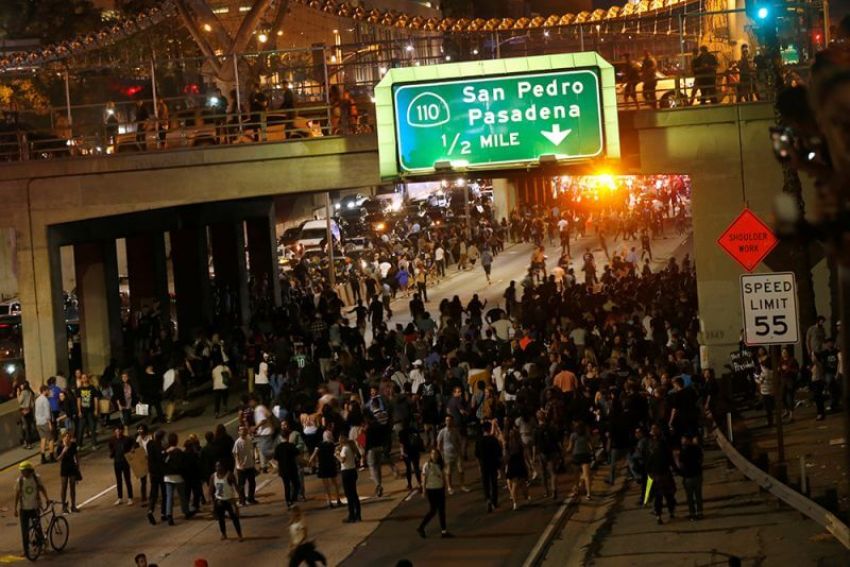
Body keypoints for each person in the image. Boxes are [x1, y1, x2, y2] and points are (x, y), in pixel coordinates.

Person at [14, 461, 48, 556]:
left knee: (37, 528)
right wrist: (15, 508)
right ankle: (26, 550)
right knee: (24, 531)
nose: (22, 473)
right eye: (21, 471)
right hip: (24, 509)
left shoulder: (36, 478)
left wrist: (47, 498)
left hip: (35, 508)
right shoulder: (19, 481)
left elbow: (41, 488)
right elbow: (17, 494)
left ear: (29, 470)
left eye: (24, 471)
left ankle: (41, 545)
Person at [417, 449, 452, 538]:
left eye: (436, 454)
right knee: (433, 510)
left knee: (442, 510)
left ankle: (444, 531)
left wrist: (447, 486)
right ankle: (421, 527)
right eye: (432, 454)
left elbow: (444, 476)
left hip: (440, 488)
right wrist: (424, 490)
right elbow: (424, 478)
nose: (434, 455)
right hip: (431, 490)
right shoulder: (427, 465)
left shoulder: (441, 465)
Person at [209, 460, 243, 541]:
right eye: (217, 466)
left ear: (224, 467)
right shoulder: (213, 476)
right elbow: (211, 490)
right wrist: (212, 503)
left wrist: (240, 496)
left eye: (220, 466)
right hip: (219, 501)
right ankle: (223, 534)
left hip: (229, 500)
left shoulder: (229, 475)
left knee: (235, 518)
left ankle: (239, 535)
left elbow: (236, 486)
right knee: (221, 519)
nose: (219, 468)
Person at [309, 430, 343, 508]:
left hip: (322, 466)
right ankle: (338, 499)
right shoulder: (332, 445)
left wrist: (310, 462)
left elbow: (314, 454)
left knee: (326, 485)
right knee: (335, 484)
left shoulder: (319, 445)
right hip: (331, 465)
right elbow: (336, 454)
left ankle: (329, 501)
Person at [475, 420, 503, 512]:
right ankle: (494, 501)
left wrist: (479, 465)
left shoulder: (479, 440)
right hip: (493, 463)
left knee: (485, 483)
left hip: (484, 464)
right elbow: (499, 452)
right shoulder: (493, 440)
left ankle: (487, 499)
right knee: (494, 483)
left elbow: (477, 454)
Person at [274, 422, 303, 509]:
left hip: (283, 470)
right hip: (292, 469)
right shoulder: (291, 446)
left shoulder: (278, 447)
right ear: (288, 437)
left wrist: (277, 467)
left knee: (286, 486)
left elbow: (275, 459)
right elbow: (297, 456)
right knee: (296, 484)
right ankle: (293, 499)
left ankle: (288, 501)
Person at [436, 415, 467, 494]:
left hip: (456, 453)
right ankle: (449, 487)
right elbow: (439, 443)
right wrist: (441, 454)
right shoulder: (442, 431)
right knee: (448, 472)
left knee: (461, 470)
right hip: (447, 454)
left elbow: (459, 441)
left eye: (450, 420)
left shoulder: (455, 430)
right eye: (447, 420)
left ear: (452, 421)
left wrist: (461, 451)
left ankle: (462, 485)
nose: (448, 422)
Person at [677, 435, 704, 521]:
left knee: (690, 497)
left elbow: (680, 464)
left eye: (682, 439)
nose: (681, 440)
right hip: (697, 474)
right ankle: (700, 512)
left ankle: (692, 513)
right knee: (698, 495)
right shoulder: (697, 448)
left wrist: (682, 472)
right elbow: (701, 460)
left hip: (688, 476)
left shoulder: (683, 450)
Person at [336, 435, 361, 523]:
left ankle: (351, 515)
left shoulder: (345, 449)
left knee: (349, 495)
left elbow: (342, 460)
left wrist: (336, 455)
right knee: (354, 494)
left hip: (346, 472)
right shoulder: (350, 447)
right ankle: (358, 514)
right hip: (353, 471)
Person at [565, 421, 592, 501]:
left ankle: (576, 490)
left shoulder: (573, 435)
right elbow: (591, 445)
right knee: (587, 476)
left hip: (576, 456)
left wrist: (565, 451)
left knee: (576, 475)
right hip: (585, 455)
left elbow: (570, 447)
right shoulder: (586, 435)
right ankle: (589, 494)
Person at [233, 425, 258, 505]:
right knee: (241, 485)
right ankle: (242, 500)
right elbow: (236, 455)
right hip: (242, 467)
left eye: (244, 429)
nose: (243, 431)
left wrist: (253, 461)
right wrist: (239, 465)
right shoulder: (237, 442)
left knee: (252, 483)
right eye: (241, 430)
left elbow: (252, 450)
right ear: (238, 432)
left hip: (250, 465)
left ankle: (251, 498)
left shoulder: (249, 439)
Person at [109, 425, 135, 505]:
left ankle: (130, 498)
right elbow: (111, 448)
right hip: (117, 462)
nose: (118, 432)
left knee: (127, 480)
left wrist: (132, 449)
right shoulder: (112, 440)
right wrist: (112, 454)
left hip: (125, 462)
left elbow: (134, 443)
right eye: (116, 430)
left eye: (119, 430)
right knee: (118, 481)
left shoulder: (127, 439)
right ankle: (119, 498)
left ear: (122, 431)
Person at [58, 431, 80, 514]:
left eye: (69, 437)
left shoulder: (73, 445)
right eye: (65, 437)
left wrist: (78, 468)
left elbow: (76, 456)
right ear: (63, 437)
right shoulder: (60, 446)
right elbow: (58, 459)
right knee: (64, 487)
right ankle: (63, 506)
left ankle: (73, 506)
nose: (67, 438)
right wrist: (63, 451)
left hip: (72, 468)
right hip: (64, 468)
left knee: (72, 487)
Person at [34, 385, 54, 464]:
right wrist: (49, 423)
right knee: (51, 439)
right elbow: (47, 413)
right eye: (48, 390)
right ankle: (51, 456)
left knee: (43, 439)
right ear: (45, 390)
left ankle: (43, 457)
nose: (49, 392)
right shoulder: (45, 400)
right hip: (45, 422)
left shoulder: (37, 400)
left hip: (38, 422)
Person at [17, 382, 37, 450]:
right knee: (29, 427)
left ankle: (26, 443)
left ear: (24, 385)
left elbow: (19, 401)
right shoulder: (30, 392)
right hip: (30, 411)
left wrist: (17, 394)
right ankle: (28, 442)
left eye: (21, 385)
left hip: (23, 411)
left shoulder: (23, 392)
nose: (21, 386)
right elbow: (32, 404)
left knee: (25, 428)